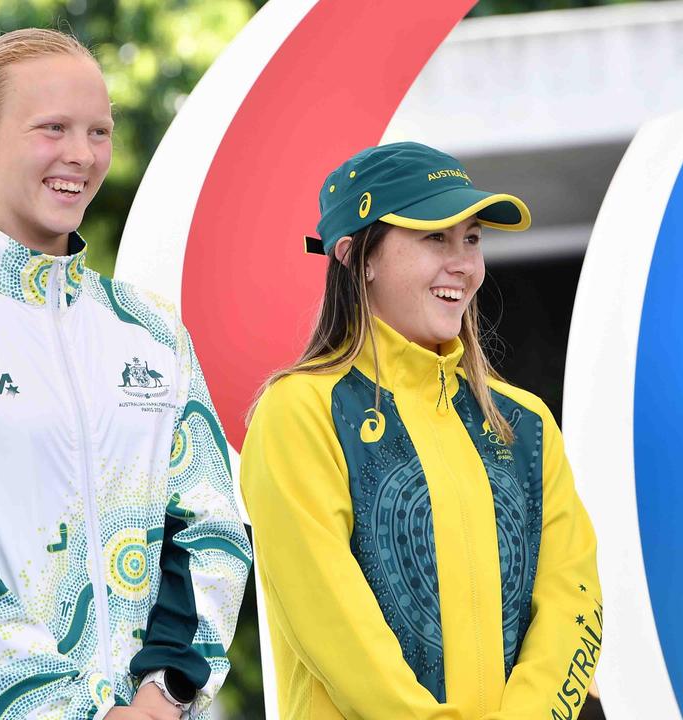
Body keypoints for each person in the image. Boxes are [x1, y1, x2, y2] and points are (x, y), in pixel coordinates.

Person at [0, 28, 251, 720]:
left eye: (99, 131)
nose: (82, 155)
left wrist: (163, 694)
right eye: (53, 128)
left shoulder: (149, 330)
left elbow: (210, 523)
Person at [240, 141, 602, 719]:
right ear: (359, 256)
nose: (464, 263)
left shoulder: (524, 422)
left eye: (473, 239)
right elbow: (336, 627)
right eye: (435, 236)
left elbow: (573, 603)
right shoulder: (300, 413)